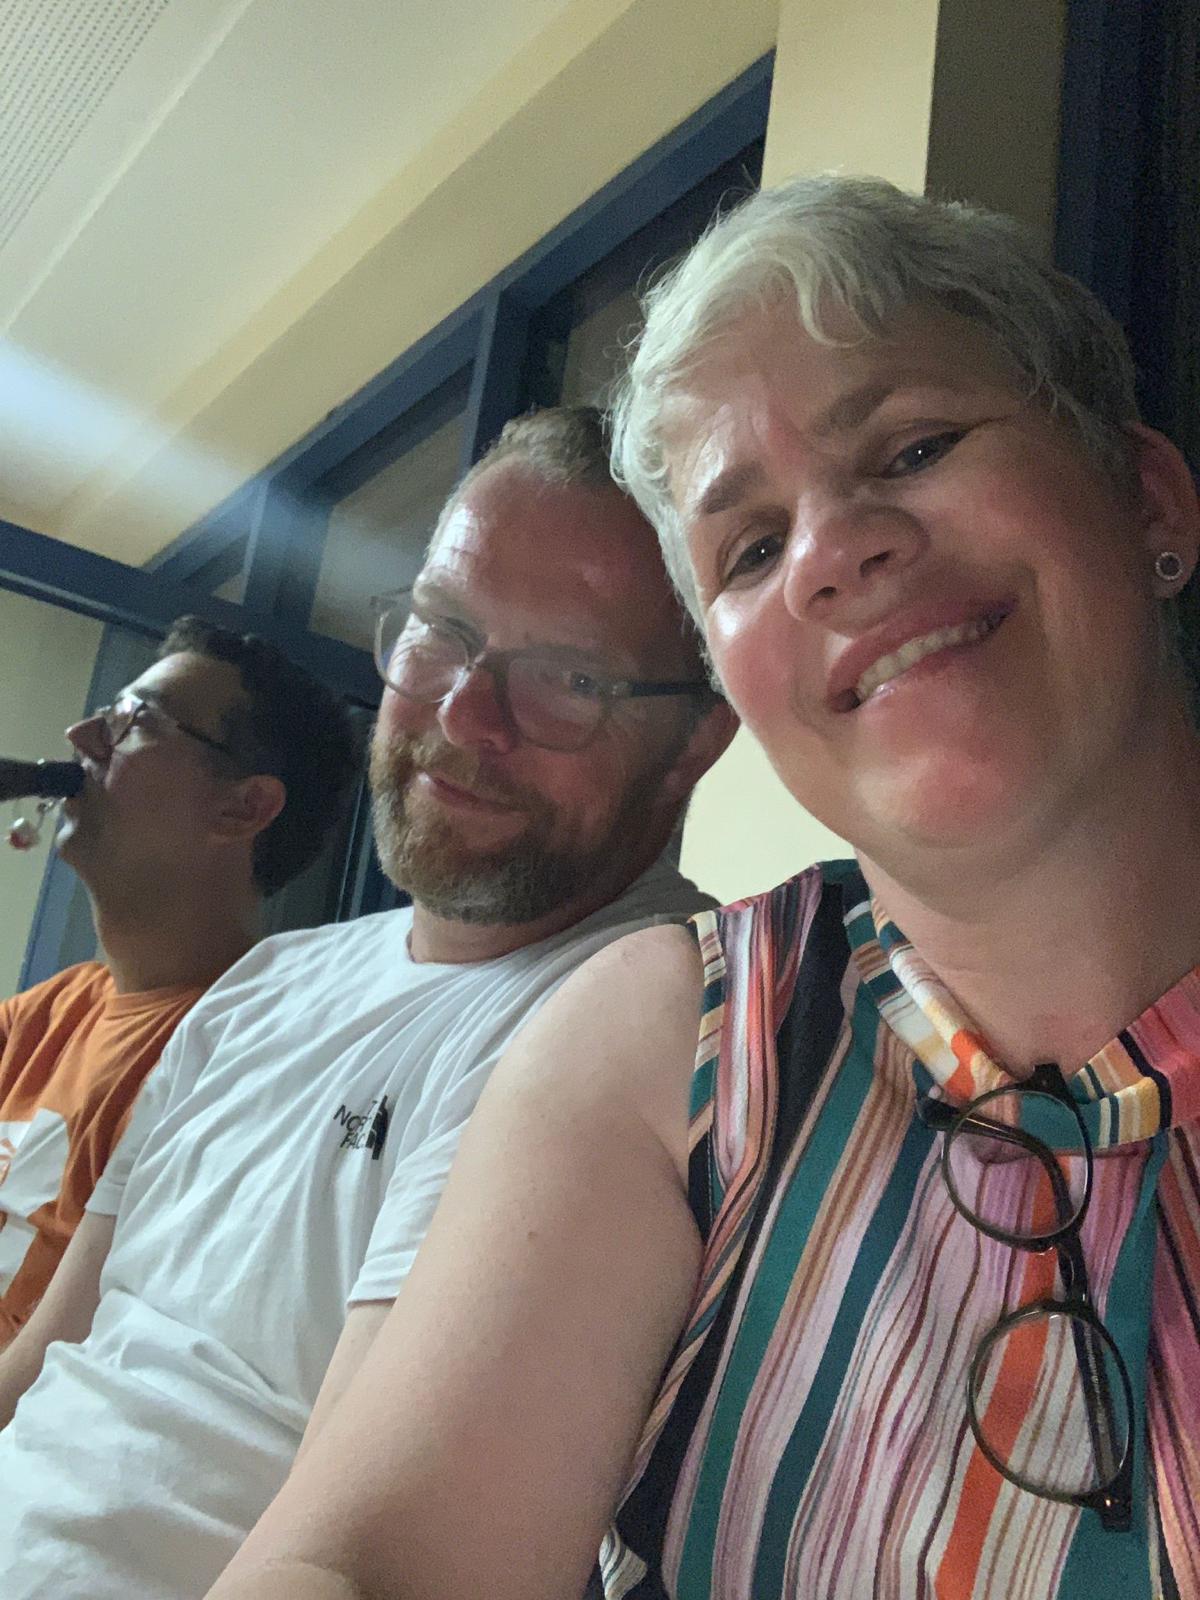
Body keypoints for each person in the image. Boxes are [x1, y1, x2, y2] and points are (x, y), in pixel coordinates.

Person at [207, 178, 1200, 1600]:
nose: (830, 554)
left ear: (1149, 496)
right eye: (751, 548)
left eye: (915, 446)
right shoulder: (669, 1036)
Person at [0, 405, 737, 1599]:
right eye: (443, 632)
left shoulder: (637, 1013)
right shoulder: (259, 985)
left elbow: (361, 1560)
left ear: (696, 741)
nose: (463, 716)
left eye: (568, 678)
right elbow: (45, 1358)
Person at [0, 615, 356, 1348]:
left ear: (243, 807)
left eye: (135, 719)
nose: (82, 735)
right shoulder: (48, 1014)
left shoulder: (242, 1065)